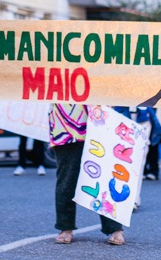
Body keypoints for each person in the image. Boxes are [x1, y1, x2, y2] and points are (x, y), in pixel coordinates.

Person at [50, 103, 125, 246]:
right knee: (67, 177)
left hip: (99, 117)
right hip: (64, 120)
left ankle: (114, 227)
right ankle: (65, 226)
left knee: (104, 176)